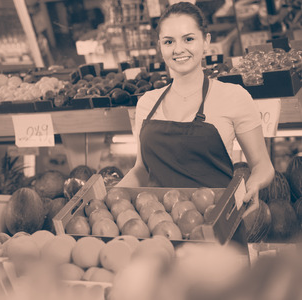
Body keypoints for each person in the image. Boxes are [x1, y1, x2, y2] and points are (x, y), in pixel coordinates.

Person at [117, 2, 274, 214]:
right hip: (160, 223)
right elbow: (141, 170)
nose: (178, 49)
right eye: (169, 41)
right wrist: (112, 196)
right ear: (160, 46)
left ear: (206, 41)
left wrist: (253, 183)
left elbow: (262, 165)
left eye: (188, 39)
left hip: (217, 219)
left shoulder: (233, 96)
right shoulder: (147, 102)